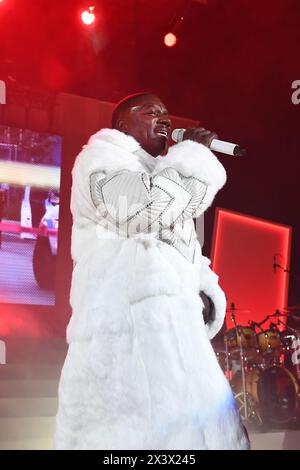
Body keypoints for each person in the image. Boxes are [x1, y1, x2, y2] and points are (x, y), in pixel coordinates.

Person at [55, 92, 250, 450]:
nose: (164, 118)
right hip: (125, 344)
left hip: (178, 338)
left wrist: (205, 291)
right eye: (150, 112)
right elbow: (142, 212)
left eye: (166, 112)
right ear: (121, 124)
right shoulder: (100, 159)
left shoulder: (160, 175)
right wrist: (193, 156)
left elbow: (184, 247)